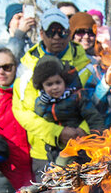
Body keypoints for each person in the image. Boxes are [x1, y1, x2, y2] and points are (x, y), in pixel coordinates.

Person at [13, 10, 93, 175]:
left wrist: (82, 131)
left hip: (84, 147)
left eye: (61, 32)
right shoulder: (27, 67)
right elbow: (22, 111)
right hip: (44, 153)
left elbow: (97, 103)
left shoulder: (86, 65)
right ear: (42, 33)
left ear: (69, 33)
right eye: (51, 32)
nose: (56, 37)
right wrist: (57, 133)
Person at [31, 56, 105, 164]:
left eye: (58, 82)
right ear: (42, 86)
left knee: (63, 165)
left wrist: (96, 138)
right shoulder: (41, 102)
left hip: (78, 144)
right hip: (55, 147)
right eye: (49, 84)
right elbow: (40, 123)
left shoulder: (76, 97)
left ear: (64, 82)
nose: (55, 87)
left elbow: (93, 117)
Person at [0, 47, 34, 189]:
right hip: (7, 169)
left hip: (34, 164)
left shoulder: (27, 92)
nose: (1, 72)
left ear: (15, 68)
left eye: (7, 67)